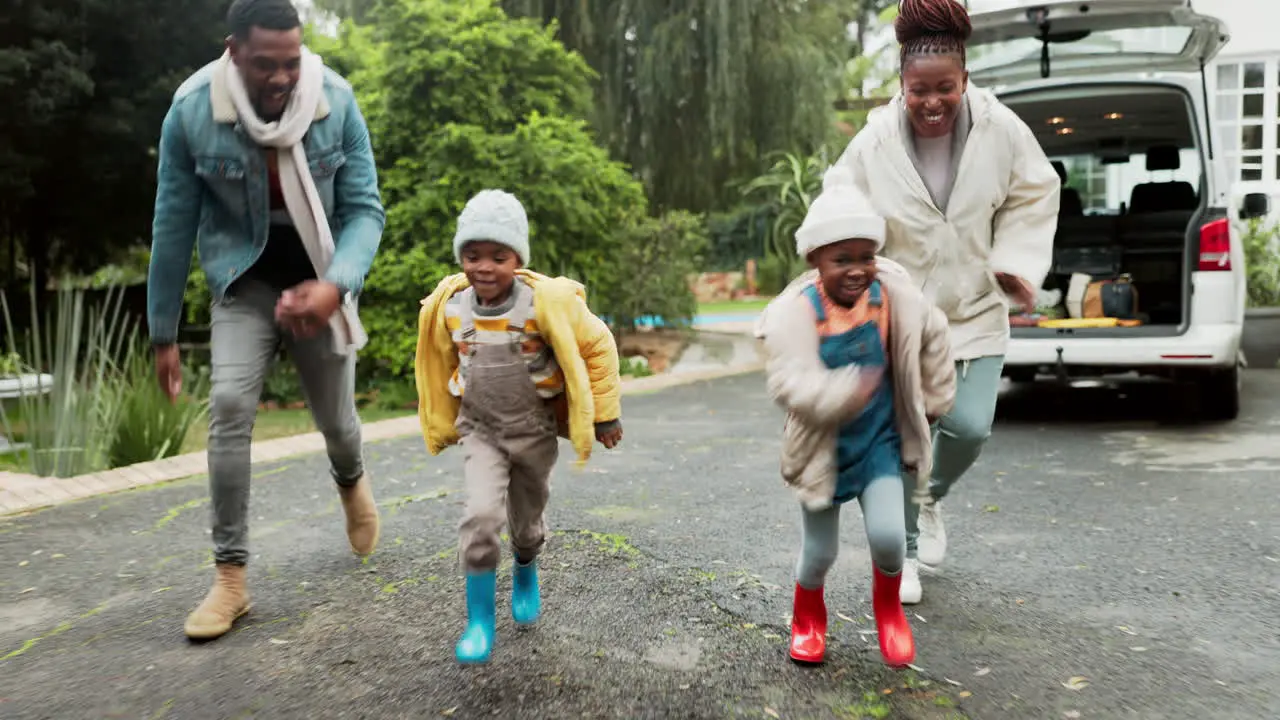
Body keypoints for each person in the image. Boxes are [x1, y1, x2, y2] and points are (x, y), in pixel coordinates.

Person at [147, 0, 386, 640]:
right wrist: (162, 332)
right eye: (264, 64)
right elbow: (171, 225)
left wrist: (335, 287)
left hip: (320, 279)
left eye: (291, 61)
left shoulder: (335, 99)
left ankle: (351, 479)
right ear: (233, 50)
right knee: (228, 405)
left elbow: (365, 211)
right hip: (243, 280)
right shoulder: (193, 110)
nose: (281, 78)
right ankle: (231, 578)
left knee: (336, 422)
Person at [833, 0, 1060, 602]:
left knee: (971, 426)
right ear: (900, 86)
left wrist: (1014, 261)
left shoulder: (1001, 128)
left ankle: (927, 502)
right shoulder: (875, 141)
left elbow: (1036, 192)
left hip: (977, 308)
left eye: (945, 88)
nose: (932, 102)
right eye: (918, 90)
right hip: (900, 317)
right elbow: (840, 203)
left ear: (965, 79)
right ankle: (903, 555)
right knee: (907, 433)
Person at [759, 165, 956, 668]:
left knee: (890, 538)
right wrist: (844, 390)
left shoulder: (892, 298)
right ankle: (808, 620)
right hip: (822, 449)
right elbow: (788, 382)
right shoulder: (798, 311)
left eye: (866, 256)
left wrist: (934, 395)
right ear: (814, 260)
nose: (856, 268)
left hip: (879, 445)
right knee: (819, 552)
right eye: (841, 258)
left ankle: (889, 612)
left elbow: (932, 337)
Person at [415, 189, 624, 664]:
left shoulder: (542, 305)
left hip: (533, 431)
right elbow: (440, 360)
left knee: (525, 526)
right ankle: (479, 622)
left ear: (517, 258)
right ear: (460, 257)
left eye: (497, 255)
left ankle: (526, 565)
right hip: (481, 431)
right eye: (472, 255)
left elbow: (598, 346)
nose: (484, 266)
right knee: (480, 518)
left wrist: (605, 413)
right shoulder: (449, 308)